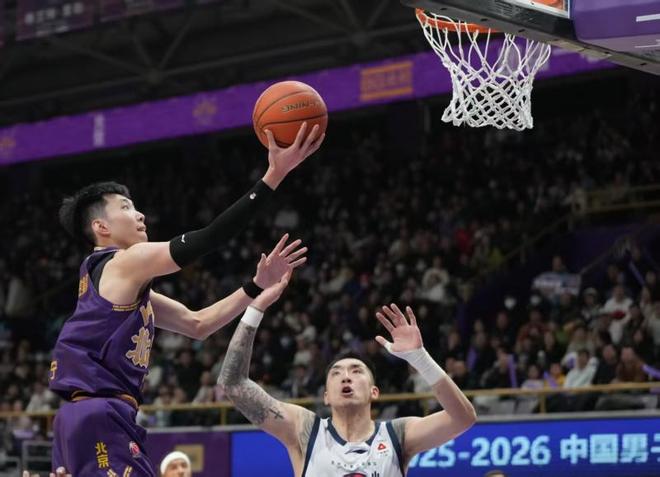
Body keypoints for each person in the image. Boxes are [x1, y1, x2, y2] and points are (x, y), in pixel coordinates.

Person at [48, 123, 323, 476]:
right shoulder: (124, 261)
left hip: (83, 417)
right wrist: (274, 175)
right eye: (126, 207)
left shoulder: (118, 285)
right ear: (102, 227)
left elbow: (198, 325)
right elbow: (207, 238)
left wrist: (255, 286)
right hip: (100, 413)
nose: (140, 214)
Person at [218, 277, 476, 476]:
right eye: (336, 373)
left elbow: (463, 418)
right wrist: (256, 308)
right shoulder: (305, 430)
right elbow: (233, 383)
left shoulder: (397, 434)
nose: (345, 377)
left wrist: (420, 359)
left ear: (374, 392)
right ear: (326, 396)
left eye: (356, 371)